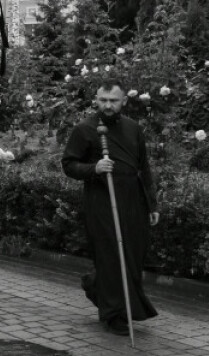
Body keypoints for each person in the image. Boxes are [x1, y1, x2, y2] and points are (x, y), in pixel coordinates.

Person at [61, 79, 159, 335]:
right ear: (96, 100)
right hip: (102, 200)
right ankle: (114, 314)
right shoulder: (84, 129)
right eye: (103, 100)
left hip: (133, 200)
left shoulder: (133, 128)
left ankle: (95, 286)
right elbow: (69, 164)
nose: (107, 105)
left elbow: (144, 168)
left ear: (124, 101)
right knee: (111, 256)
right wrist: (94, 168)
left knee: (133, 255)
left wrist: (152, 204)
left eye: (113, 100)